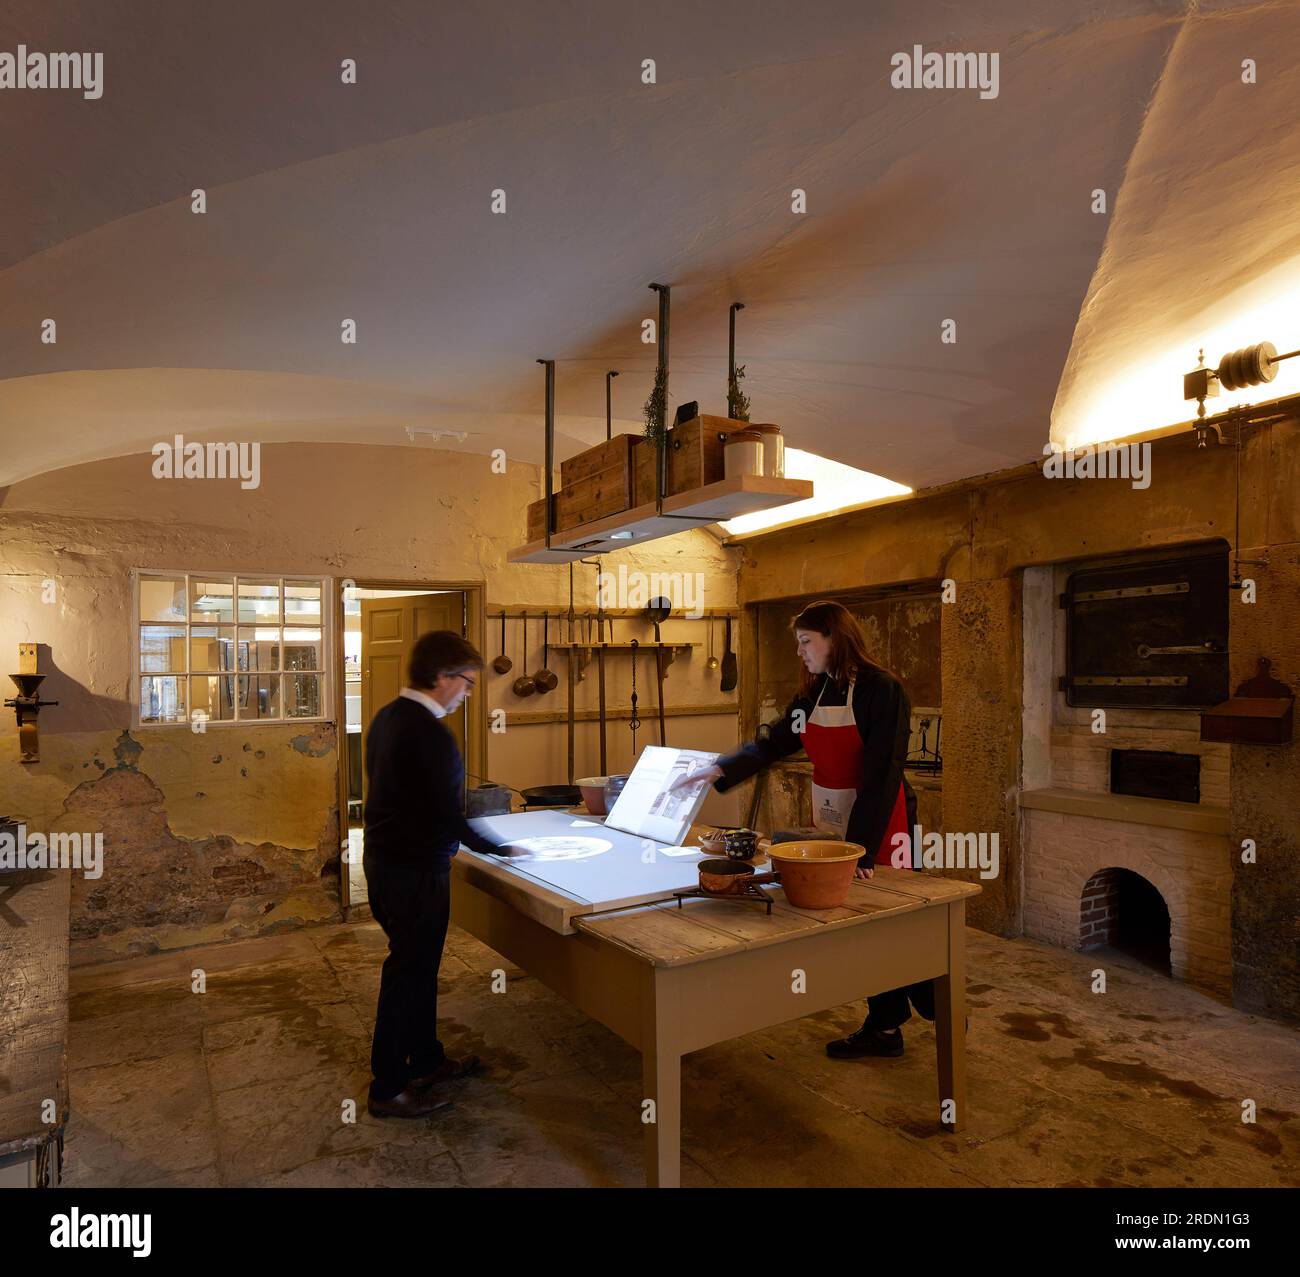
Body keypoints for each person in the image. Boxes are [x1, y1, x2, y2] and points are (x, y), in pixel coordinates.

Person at [688, 600, 935, 1059]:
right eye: (797, 643)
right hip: (833, 819)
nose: (800, 652)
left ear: (834, 638)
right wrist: (720, 770)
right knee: (858, 926)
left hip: (881, 821)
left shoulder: (882, 690)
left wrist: (860, 850)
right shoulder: (816, 693)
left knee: (900, 919)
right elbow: (778, 739)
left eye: (806, 642)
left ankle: (935, 998)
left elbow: (883, 773)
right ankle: (885, 1027)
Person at [362, 630, 500, 1117]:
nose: (467, 693)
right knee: (407, 973)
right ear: (442, 676)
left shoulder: (386, 717)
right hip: (413, 872)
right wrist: (497, 847)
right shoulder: (427, 731)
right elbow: (446, 812)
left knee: (418, 971)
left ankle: (425, 1060)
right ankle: (387, 1088)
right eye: (466, 682)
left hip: (385, 863)